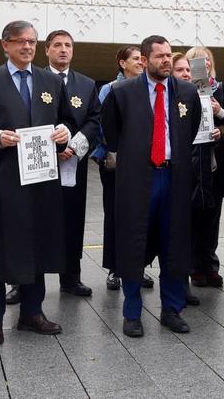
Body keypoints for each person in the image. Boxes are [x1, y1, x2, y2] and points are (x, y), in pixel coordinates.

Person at [0, 20, 71, 346]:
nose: (28, 47)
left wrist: (64, 132)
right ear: (5, 45)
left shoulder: (50, 81)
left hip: (40, 180)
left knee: (38, 245)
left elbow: (64, 120)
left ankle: (32, 312)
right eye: (20, 41)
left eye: (32, 42)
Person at [101, 35, 201, 338]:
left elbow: (191, 128)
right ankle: (132, 312)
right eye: (160, 56)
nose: (167, 61)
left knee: (174, 242)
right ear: (144, 60)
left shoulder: (186, 92)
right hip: (138, 178)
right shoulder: (122, 92)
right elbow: (112, 132)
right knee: (134, 242)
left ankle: (171, 309)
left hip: (174, 177)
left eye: (169, 55)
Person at [89, 45, 153, 292]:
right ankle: (115, 269)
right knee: (116, 214)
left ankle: (138, 267)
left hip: (145, 163)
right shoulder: (110, 89)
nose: (140, 62)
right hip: (117, 161)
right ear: (122, 63)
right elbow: (103, 124)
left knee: (141, 216)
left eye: (142, 58)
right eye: (135, 59)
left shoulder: (150, 88)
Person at [45, 29, 101, 298]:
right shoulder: (35, 80)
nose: (63, 49)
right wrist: (50, 148)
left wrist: (73, 145)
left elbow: (94, 120)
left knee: (71, 219)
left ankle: (71, 278)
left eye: (68, 45)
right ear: (47, 50)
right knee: (35, 220)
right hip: (39, 162)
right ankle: (22, 283)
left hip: (72, 163)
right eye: (57, 45)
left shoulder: (87, 84)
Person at [171, 52, 221, 307]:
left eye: (189, 70)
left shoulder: (213, 92)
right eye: (181, 69)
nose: (187, 74)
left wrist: (218, 120)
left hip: (208, 166)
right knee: (182, 227)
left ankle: (205, 266)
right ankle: (185, 274)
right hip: (181, 169)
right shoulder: (173, 95)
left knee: (209, 220)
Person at [185, 46, 224, 290]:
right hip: (192, 161)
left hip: (215, 162)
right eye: (195, 62)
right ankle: (194, 266)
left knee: (213, 217)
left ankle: (210, 265)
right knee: (192, 216)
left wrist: (219, 113)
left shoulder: (221, 88)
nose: (201, 66)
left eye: (205, 61)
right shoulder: (183, 89)